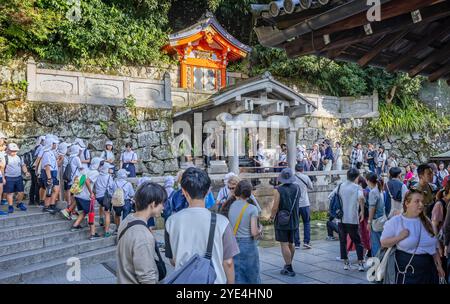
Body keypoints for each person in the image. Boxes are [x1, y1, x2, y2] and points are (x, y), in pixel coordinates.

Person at [164, 167, 240, 284]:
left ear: (184, 192)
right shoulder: (222, 222)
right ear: (208, 191)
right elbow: (228, 262)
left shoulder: (171, 221)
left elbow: (173, 260)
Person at [380, 189, 445, 284]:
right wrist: (399, 237)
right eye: (417, 201)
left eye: (422, 201)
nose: (421, 204)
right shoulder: (395, 221)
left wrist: (439, 266)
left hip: (429, 272)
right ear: (407, 203)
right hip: (407, 273)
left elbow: (433, 248)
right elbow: (383, 243)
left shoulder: (427, 221)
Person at [117, 182, 166, 284]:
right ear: (153, 204)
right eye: (162, 203)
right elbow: (147, 278)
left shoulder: (127, 220)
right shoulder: (143, 236)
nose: (163, 207)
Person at [329, 168, 365, 271]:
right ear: (356, 177)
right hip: (352, 219)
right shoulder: (357, 187)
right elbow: (361, 198)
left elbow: (330, 196)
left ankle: (345, 263)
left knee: (343, 241)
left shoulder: (340, 186)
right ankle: (360, 264)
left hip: (341, 219)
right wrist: (361, 211)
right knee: (357, 241)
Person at [227, 180, 262, 284]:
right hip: (248, 245)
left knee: (237, 275)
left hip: (234, 244)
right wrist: (260, 230)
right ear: (249, 193)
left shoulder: (231, 206)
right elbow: (254, 233)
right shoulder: (252, 208)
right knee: (252, 275)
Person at [270, 168, 301, 277]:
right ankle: (289, 264)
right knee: (291, 243)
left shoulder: (279, 190)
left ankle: (289, 267)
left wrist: (271, 217)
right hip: (294, 219)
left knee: (284, 244)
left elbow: (275, 207)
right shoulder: (297, 188)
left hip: (282, 221)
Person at [70, 157, 102, 240]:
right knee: (91, 213)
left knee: (84, 211)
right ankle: (92, 234)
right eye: (100, 164)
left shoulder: (86, 169)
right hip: (85, 196)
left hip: (78, 194)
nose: (101, 166)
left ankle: (75, 225)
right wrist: (91, 193)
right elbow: (87, 181)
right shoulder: (95, 173)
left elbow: (77, 178)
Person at [3, 143, 31, 214]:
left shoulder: (19, 157)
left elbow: (23, 165)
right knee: (10, 193)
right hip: (9, 177)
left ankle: (19, 203)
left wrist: (26, 172)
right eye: (12, 151)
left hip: (18, 177)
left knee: (21, 192)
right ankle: (10, 206)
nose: (14, 152)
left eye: (15, 151)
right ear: (8, 150)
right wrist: (3, 177)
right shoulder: (5, 157)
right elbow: (2, 168)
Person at [60, 145, 84, 220]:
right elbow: (81, 168)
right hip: (76, 180)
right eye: (79, 150)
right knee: (76, 197)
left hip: (70, 179)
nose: (80, 151)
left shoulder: (70, 157)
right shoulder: (76, 158)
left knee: (72, 196)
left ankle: (71, 211)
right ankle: (69, 211)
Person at [293, 162, 313, 249]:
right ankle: (306, 242)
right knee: (307, 223)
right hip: (305, 203)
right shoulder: (306, 177)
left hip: (295, 204)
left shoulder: (292, 178)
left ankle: (297, 243)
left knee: (296, 223)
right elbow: (311, 187)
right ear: (302, 169)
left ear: (295, 169)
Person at [366, 172, 385, 257]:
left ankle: (376, 264)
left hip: (376, 220)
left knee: (375, 243)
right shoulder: (379, 190)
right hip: (381, 219)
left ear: (368, 181)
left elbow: (372, 208)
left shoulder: (373, 192)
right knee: (380, 242)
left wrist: (369, 222)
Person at [40, 136, 61, 214]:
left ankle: (52, 205)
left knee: (56, 189)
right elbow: (47, 167)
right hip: (49, 174)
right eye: (54, 143)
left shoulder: (51, 152)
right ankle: (46, 206)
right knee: (50, 189)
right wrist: (49, 178)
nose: (55, 145)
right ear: (50, 144)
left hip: (53, 173)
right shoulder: (47, 154)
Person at [95, 161, 114, 237]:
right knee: (107, 213)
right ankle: (106, 232)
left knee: (101, 205)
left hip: (98, 196)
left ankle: (100, 218)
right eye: (109, 168)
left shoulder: (97, 175)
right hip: (105, 197)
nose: (110, 169)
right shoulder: (109, 176)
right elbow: (112, 186)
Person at [28, 136, 45, 205]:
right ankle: (37, 200)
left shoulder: (36, 147)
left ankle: (31, 200)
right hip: (37, 168)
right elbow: (39, 158)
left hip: (32, 167)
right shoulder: (41, 148)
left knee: (33, 184)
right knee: (38, 184)